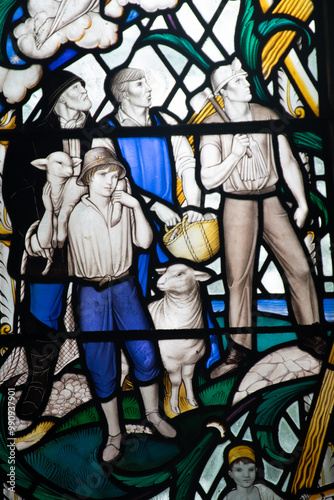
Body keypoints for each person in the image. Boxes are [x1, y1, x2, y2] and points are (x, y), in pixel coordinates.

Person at [200, 58, 326, 379]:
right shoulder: (214, 125)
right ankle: (239, 349)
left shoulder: (267, 115)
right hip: (237, 203)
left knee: (299, 266)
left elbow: (286, 159)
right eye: (238, 80)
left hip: (271, 199)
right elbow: (208, 178)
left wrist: (301, 201)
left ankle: (312, 333)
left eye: (244, 77)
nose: (246, 82)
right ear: (223, 91)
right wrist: (233, 155)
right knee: (238, 278)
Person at [67, 147, 177, 462]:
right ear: (87, 178)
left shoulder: (126, 206)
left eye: (115, 175)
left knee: (144, 351)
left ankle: (153, 415)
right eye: (103, 175)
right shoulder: (79, 213)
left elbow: (144, 242)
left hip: (126, 287)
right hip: (93, 293)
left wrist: (135, 205)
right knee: (101, 364)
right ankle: (114, 432)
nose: (110, 181)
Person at [3, 69, 95, 419]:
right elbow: (14, 188)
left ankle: (100, 377)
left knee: (98, 305)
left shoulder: (96, 134)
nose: (85, 92)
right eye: (78, 87)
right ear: (59, 98)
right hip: (47, 240)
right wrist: (33, 229)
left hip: (93, 236)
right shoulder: (32, 138)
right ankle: (39, 381)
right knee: (44, 310)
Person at [95, 67, 204, 296]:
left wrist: (193, 207)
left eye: (146, 83)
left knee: (183, 288)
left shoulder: (165, 122)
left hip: (171, 225)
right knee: (136, 290)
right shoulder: (105, 132)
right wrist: (153, 206)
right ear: (123, 94)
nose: (149, 89)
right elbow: (112, 183)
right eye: (140, 85)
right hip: (128, 223)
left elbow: (187, 167)